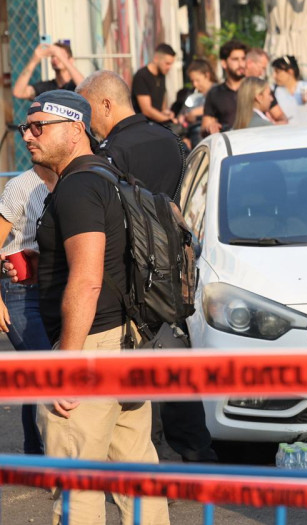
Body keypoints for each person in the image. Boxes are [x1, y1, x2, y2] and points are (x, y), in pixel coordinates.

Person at [23, 90, 169, 524]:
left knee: (77, 488)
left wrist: (66, 364)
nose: (28, 136)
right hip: (125, 344)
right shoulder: (109, 175)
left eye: (39, 127)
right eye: (24, 128)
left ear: (75, 128)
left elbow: (87, 281)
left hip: (89, 348)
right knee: (138, 478)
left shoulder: (78, 187)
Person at [75, 72, 217, 464]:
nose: (85, 123)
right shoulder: (171, 140)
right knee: (175, 366)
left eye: (87, 110)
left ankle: (153, 464)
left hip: (129, 275)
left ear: (105, 104)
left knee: (139, 375)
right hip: (172, 270)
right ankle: (198, 457)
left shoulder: (108, 152)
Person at [0, 164, 57, 457]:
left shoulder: (74, 180)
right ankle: (47, 455)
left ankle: (34, 452)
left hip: (57, 289)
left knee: (38, 372)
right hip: (21, 292)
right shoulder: (20, 186)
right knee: (46, 367)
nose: (29, 138)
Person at [78, 71, 187, 198]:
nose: (87, 121)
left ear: (106, 106)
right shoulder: (170, 137)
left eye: (88, 111)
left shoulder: (111, 151)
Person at [202, 39, 249, 134]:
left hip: (256, 144)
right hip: (230, 146)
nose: (241, 64)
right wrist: (210, 128)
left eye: (243, 59)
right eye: (235, 59)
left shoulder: (256, 88)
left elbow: (281, 118)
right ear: (224, 63)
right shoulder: (215, 93)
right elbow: (204, 127)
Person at [12, 41, 84, 100]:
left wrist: (61, 56)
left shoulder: (76, 85)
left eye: (60, 55)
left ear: (71, 60)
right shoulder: (46, 88)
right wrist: (34, 60)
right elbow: (18, 92)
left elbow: (85, 87)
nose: (55, 58)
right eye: (52, 56)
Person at [130, 43, 176, 124]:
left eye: (171, 64)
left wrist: (167, 113)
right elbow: (146, 110)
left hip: (156, 125)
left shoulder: (162, 74)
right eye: (167, 63)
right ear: (156, 58)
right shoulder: (142, 76)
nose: (169, 67)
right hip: (143, 126)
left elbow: (161, 106)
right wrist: (168, 120)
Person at [271, 55, 307, 125]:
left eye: (277, 72)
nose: (274, 76)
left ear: (290, 72)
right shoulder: (273, 91)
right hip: (286, 133)